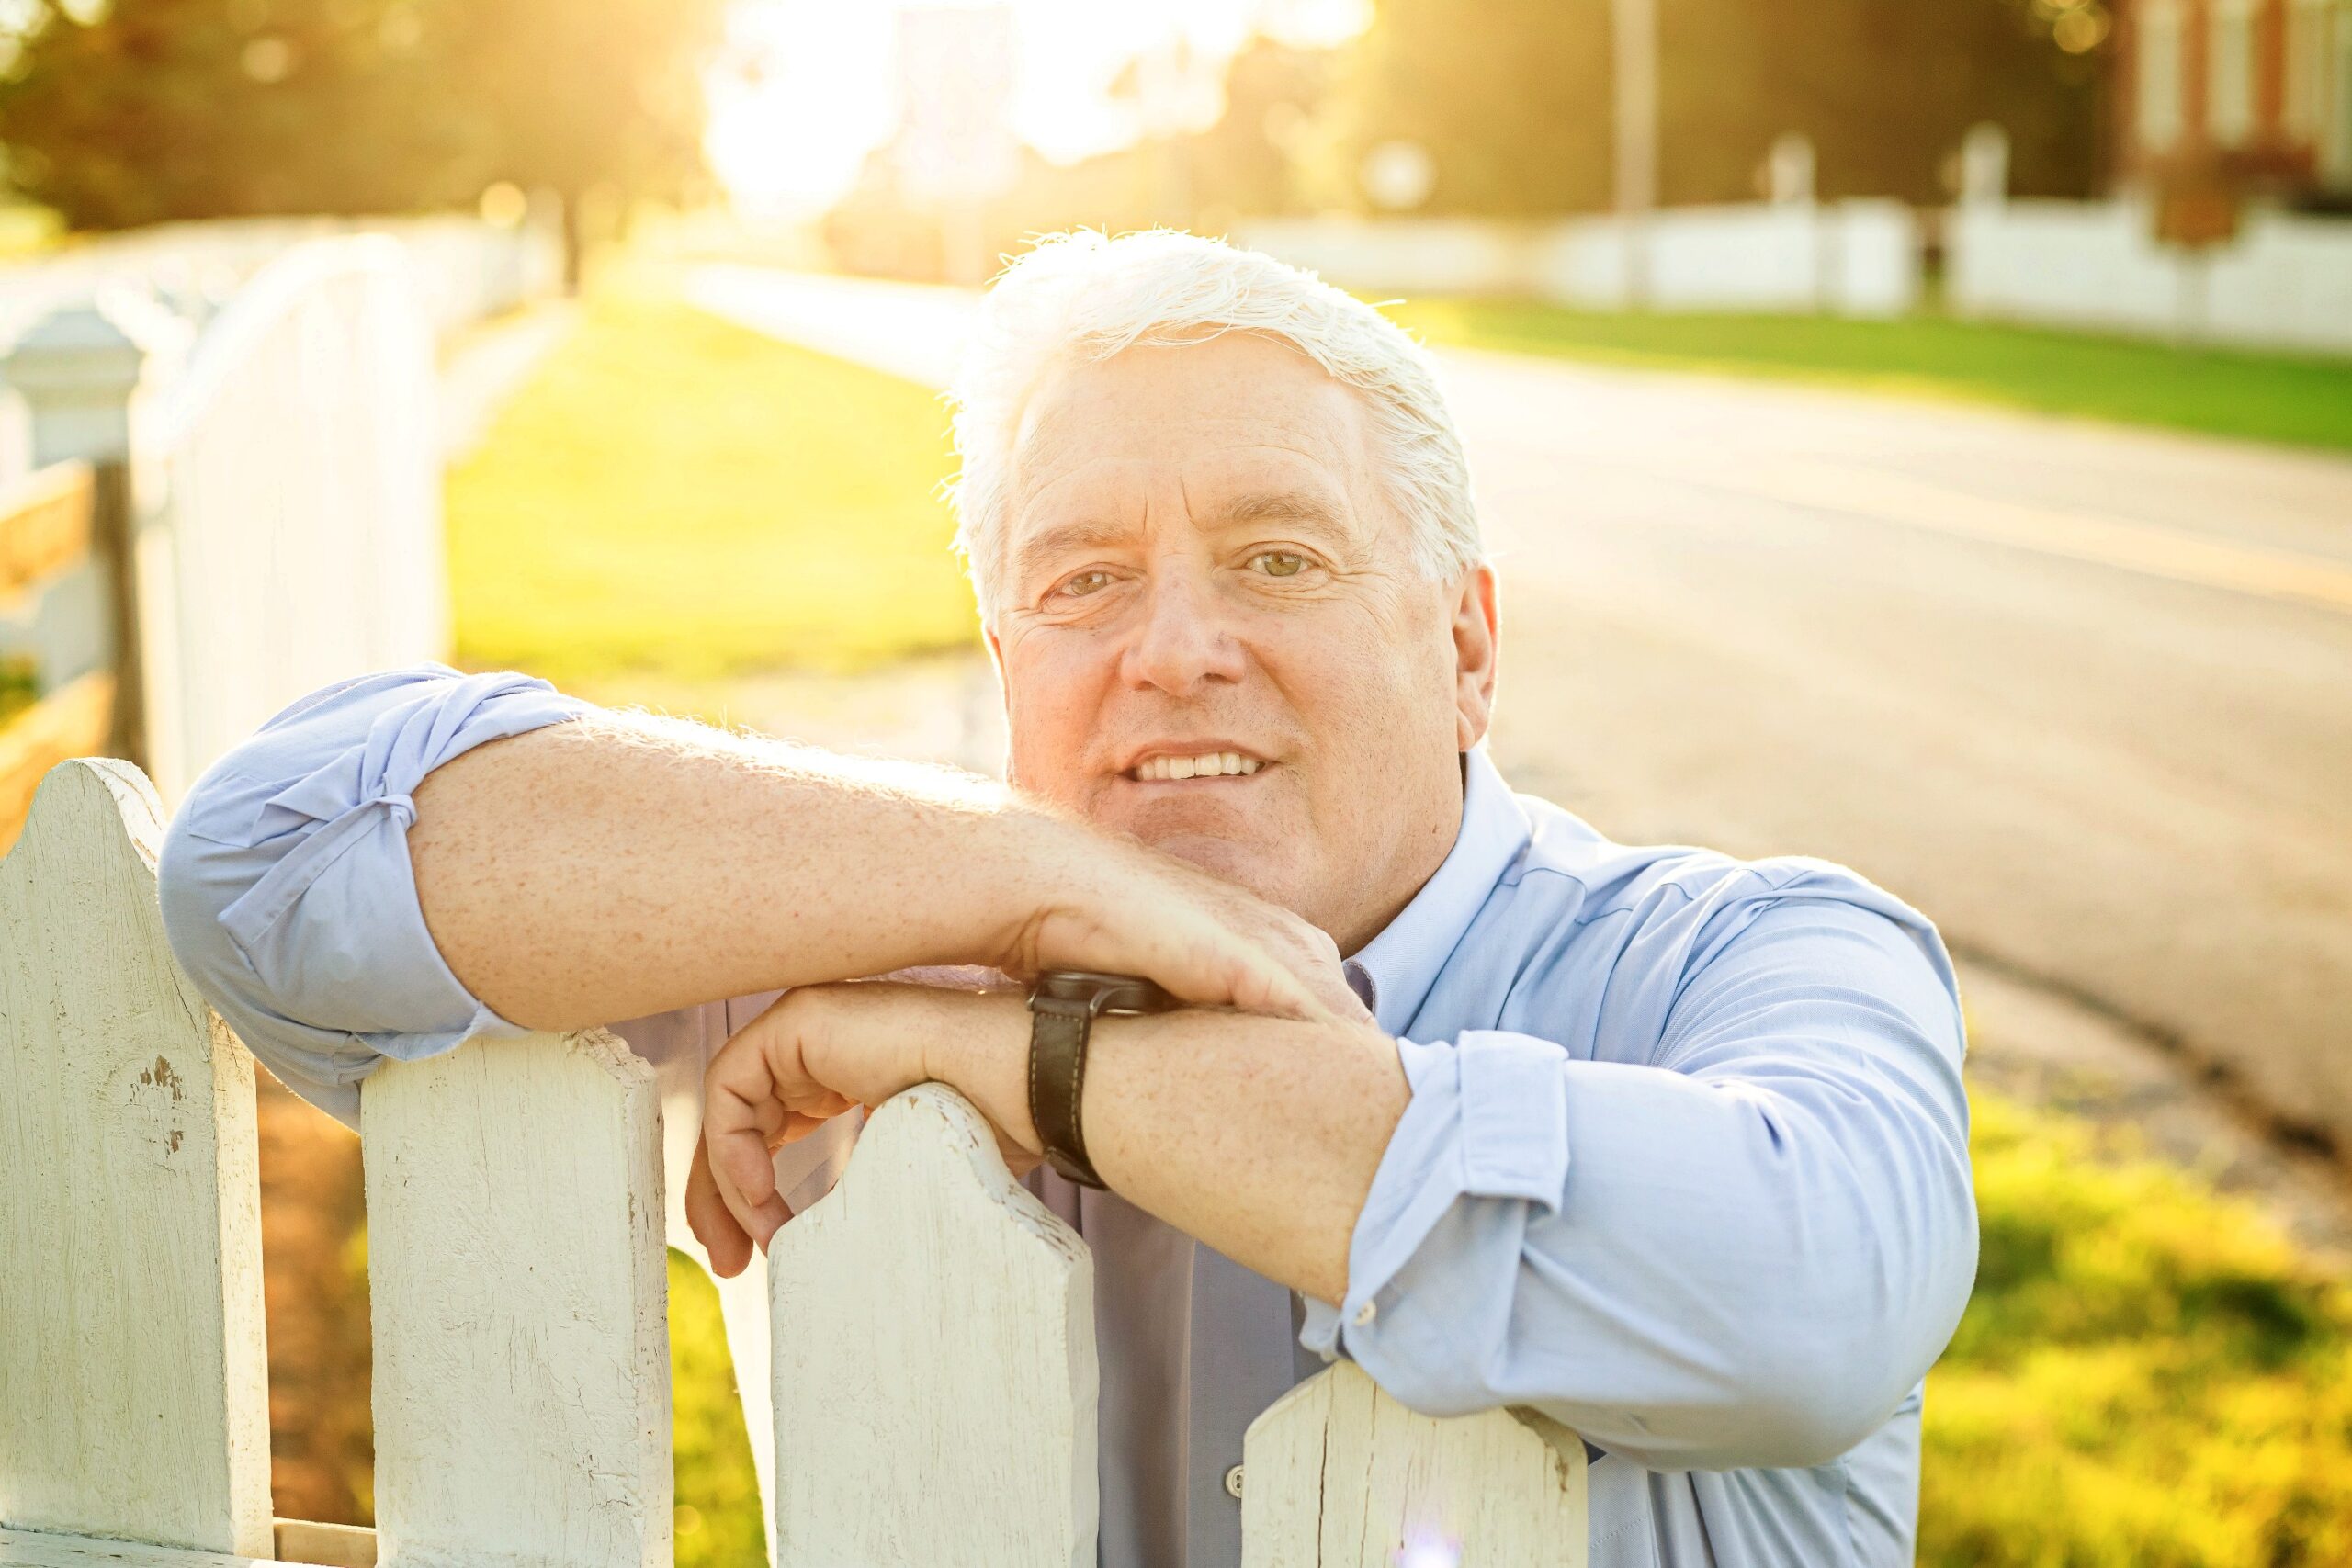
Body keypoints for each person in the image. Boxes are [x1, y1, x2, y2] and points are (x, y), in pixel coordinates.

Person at [157, 229, 1976, 1567]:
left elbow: (1808, 1295)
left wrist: (1034, 1064)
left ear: (1464, 641)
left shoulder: (1747, 956)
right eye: (1083, 582)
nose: (1175, 649)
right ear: (1001, 657)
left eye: (1276, 554)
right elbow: (267, 870)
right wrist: (1025, 872)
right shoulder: (843, 952)